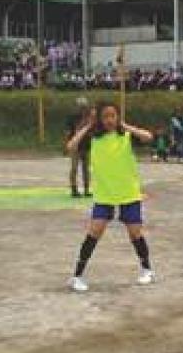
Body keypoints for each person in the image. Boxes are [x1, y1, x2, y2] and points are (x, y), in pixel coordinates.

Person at [66, 103, 157, 292]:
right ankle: (77, 275)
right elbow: (71, 146)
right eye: (105, 116)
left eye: (113, 116)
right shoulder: (93, 137)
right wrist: (87, 127)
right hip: (105, 194)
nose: (109, 120)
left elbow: (148, 136)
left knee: (135, 232)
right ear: (99, 119)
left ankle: (147, 269)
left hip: (128, 193)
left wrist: (126, 125)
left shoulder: (126, 135)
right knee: (94, 232)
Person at [65, 97, 92, 197]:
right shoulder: (72, 117)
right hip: (75, 146)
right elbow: (68, 132)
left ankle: (86, 189)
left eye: (84, 107)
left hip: (86, 145)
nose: (82, 109)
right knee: (74, 168)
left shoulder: (89, 118)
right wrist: (68, 144)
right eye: (81, 107)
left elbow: (91, 132)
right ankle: (74, 189)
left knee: (86, 169)